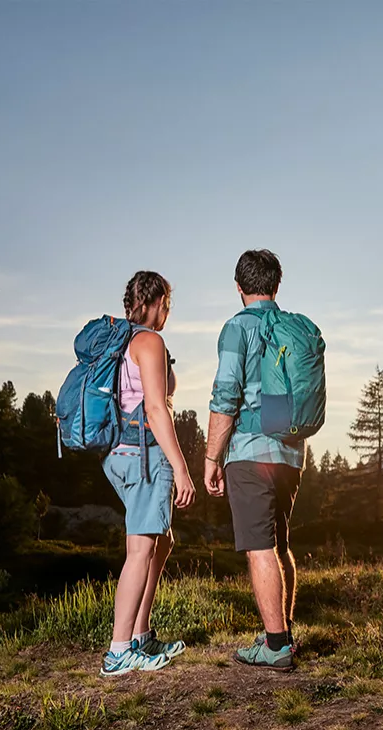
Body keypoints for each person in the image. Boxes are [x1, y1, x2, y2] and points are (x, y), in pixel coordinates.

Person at [204, 250, 305, 672]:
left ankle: (276, 646)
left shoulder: (237, 328)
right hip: (289, 454)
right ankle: (282, 633)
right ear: (276, 285)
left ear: (239, 286)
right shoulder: (292, 328)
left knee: (259, 548)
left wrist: (211, 457)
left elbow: (226, 395)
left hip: (248, 452)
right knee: (279, 544)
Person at [100, 271, 196, 676]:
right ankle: (118, 651)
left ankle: (139, 636)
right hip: (144, 455)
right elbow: (156, 410)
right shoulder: (150, 341)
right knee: (140, 549)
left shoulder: (116, 339)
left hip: (116, 454)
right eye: (167, 305)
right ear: (158, 302)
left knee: (161, 541)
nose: (167, 314)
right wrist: (182, 468)